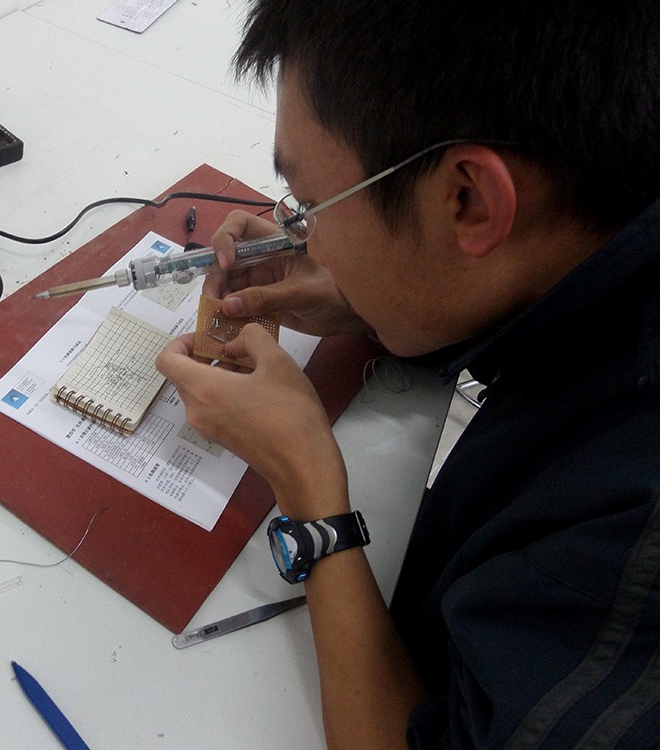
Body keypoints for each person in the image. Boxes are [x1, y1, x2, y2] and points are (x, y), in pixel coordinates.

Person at [155, 1, 660, 748]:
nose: (310, 242)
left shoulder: (631, 540)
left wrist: (308, 485)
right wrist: (379, 300)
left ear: (469, 200)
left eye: (314, 207)